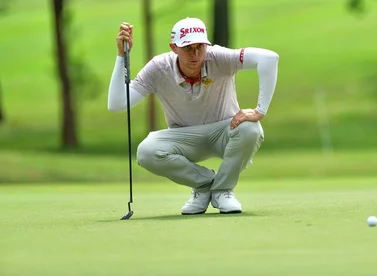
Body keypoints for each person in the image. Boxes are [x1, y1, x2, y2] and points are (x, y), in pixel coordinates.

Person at [107, 17, 279, 215]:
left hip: (224, 131)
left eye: (200, 47)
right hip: (184, 138)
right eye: (188, 48)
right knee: (146, 151)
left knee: (251, 128)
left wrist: (260, 110)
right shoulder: (159, 67)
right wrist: (122, 56)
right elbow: (117, 103)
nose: (196, 54)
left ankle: (223, 190)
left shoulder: (219, 57)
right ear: (174, 47)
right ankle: (205, 186)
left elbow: (269, 58)